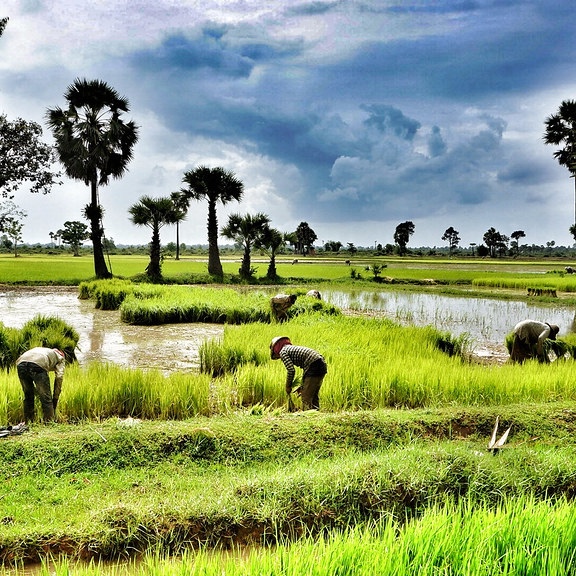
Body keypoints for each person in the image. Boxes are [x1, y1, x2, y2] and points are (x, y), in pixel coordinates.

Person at [270, 336, 327, 410]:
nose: (279, 357)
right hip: (321, 364)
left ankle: (308, 418)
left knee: (306, 397)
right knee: (313, 396)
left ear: (276, 349)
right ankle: (316, 416)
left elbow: (291, 370)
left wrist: (288, 386)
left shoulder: (283, 352)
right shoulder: (289, 349)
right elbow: (307, 368)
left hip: (314, 365)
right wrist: (303, 385)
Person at [16, 347, 66, 422]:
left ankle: (29, 422)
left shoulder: (43, 350)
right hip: (38, 364)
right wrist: (55, 398)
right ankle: (49, 424)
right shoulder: (61, 358)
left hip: (21, 364)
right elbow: (59, 377)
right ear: (61, 353)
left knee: (28, 396)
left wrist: (37, 393)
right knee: (46, 398)